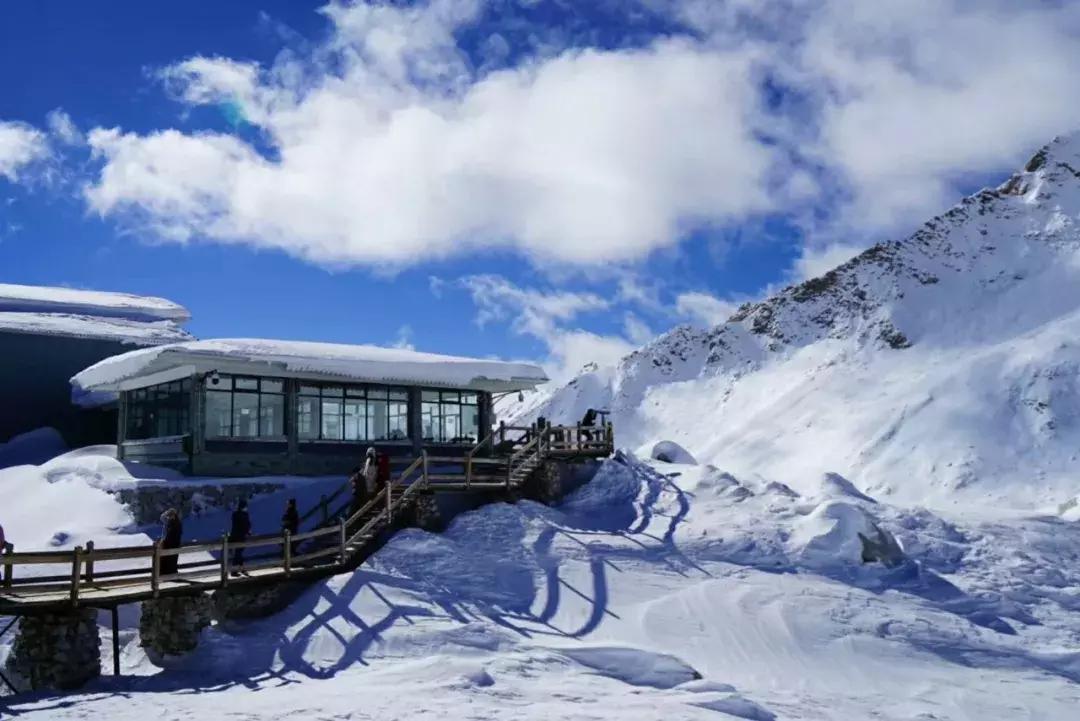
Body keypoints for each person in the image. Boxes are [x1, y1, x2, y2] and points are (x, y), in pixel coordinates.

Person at [229, 499, 252, 576]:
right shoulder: (244, 515)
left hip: (234, 536)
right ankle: (235, 571)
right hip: (241, 536)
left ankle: (241, 569)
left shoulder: (235, 514)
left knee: (238, 553)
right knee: (238, 553)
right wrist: (248, 532)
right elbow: (246, 525)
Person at [158, 508, 183, 576]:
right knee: (169, 559)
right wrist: (166, 513)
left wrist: (166, 541)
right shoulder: (170, 522)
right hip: (170, 544)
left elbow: (173, 534)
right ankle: (169, 572)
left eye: (170, 515)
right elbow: (162, 517)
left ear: (174, 515)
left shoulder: (176, 523)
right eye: (169, 515)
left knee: (172, 559)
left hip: (173, 544)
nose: (169, 517)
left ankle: (171, 573)